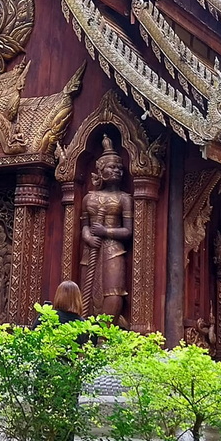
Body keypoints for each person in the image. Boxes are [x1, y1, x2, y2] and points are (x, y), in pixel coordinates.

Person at [80, 135, 133, 324]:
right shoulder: (89, 198)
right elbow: (84, 225)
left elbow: (128, 231)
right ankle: (88, 332)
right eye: (112, 167)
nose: (117, 171)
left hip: (113, 249)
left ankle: (106, 333)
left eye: (119, 168)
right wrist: (87, 236)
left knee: (113, 290)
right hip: (92, 248)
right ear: (101, 170)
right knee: (89, 288)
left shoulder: (124, 198)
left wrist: (106, 232)